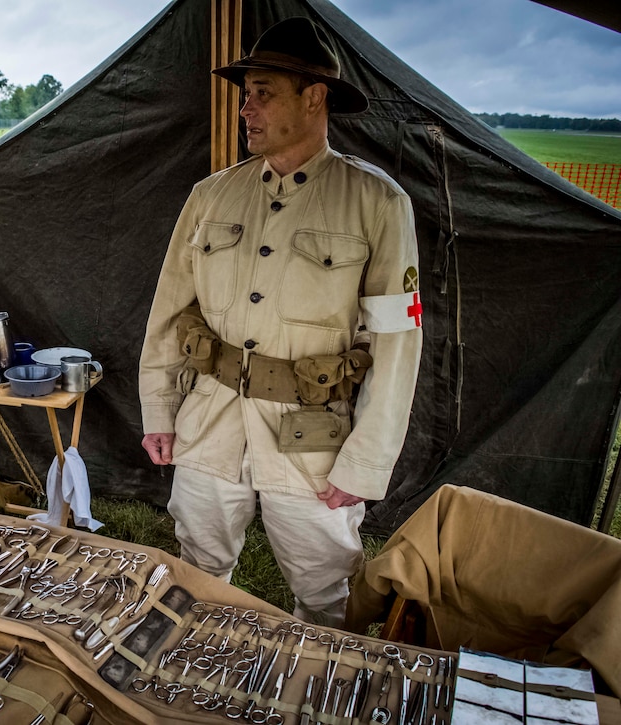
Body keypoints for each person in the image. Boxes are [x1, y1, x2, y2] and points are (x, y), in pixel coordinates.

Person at [138, 17, 423, 627]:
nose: (247, 108)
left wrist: (365, 463)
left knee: (324, 596)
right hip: (208, 424)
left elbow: (397, 344)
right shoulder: (211, 196)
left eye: (263, 92)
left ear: (314, 97)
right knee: (196, 575)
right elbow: (170, 312)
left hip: (313, 441)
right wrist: (159, 412)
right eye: (246, 94)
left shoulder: (376, 202)